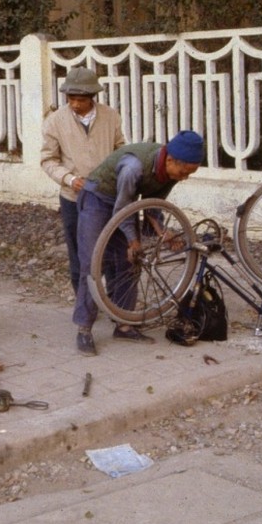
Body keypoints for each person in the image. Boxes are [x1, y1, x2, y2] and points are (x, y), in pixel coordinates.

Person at [72, 130, 204, 356]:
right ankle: (84, 329)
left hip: (126, 203)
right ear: (170, 160)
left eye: (189, 174)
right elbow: (122, 209)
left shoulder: (169, 172)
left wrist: (163, 233)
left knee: (131, 262)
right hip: (99, 198)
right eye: (184, 172)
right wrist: (133, 239)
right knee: (92, 265)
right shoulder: (134, 168)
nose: (185, 177)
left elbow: (153, 204)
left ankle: (124, 324)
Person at [39, 67, 126, 291]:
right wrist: (68, 179)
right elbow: (48, 160)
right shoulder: (55, 121)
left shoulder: (110, 116)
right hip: (73, 196)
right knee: (79, 252)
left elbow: (121, 149)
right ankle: (84, 303)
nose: (75, 104)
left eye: (81, 100)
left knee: (111, 249)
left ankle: (115, 301)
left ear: (92, 97)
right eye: (71, 99)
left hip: (107, 195)